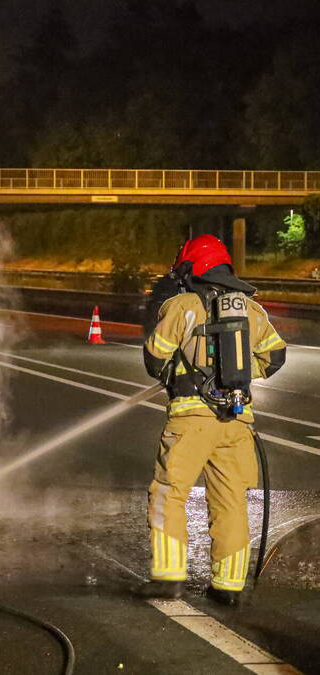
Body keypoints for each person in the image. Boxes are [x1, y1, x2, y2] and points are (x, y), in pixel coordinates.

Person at [140, 234, 286, 605]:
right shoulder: (252, 310)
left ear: (192, 269)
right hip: (237, 422)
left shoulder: (184, 305)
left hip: (190, 419)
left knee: (169, 494)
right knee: (231, 502)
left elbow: (154, 359)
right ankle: (229, 587)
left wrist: (186, 370)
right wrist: (234, 376)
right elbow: (276, 357)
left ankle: (170, 578)